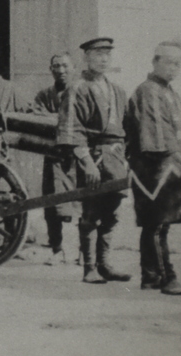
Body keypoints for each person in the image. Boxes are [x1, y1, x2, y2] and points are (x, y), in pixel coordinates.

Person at [124, 41, 181, 296]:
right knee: (156, 224)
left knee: (158, 225)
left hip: (170, 166)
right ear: (155, 62)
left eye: (178, 63)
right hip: (152, 168)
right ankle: (168, 277)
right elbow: (155, 137)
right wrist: (180, 157)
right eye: (169, 62)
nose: (174, 68)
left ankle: (150, 276)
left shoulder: (171, 93)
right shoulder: (148, 91)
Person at [55, 37, 132, 284]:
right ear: (86, 58)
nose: (103, 59)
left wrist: (127, 159)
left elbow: (127, 129)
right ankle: (89, 267)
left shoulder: (118, 90)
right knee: (91, 212)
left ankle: (105, 264)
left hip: (116, 158)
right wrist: (86, 162)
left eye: (107, 54)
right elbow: (72, 129)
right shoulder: (77, 88)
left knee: (113, 213)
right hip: (93, 158)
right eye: (98, 54)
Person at [30, 52, 78, 266]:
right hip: (52, 157)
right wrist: (61, 120)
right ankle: (57, 249)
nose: (61, 70)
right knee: (51, 204)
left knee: (80, 203)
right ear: (51, 70)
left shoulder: (81, 91)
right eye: (56, 66)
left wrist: (57, 120)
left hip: (78, 157)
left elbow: (82, 121)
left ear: (73, 68)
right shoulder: (44, 95)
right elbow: (36, 119)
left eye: (65, 66)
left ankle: (83, 251)